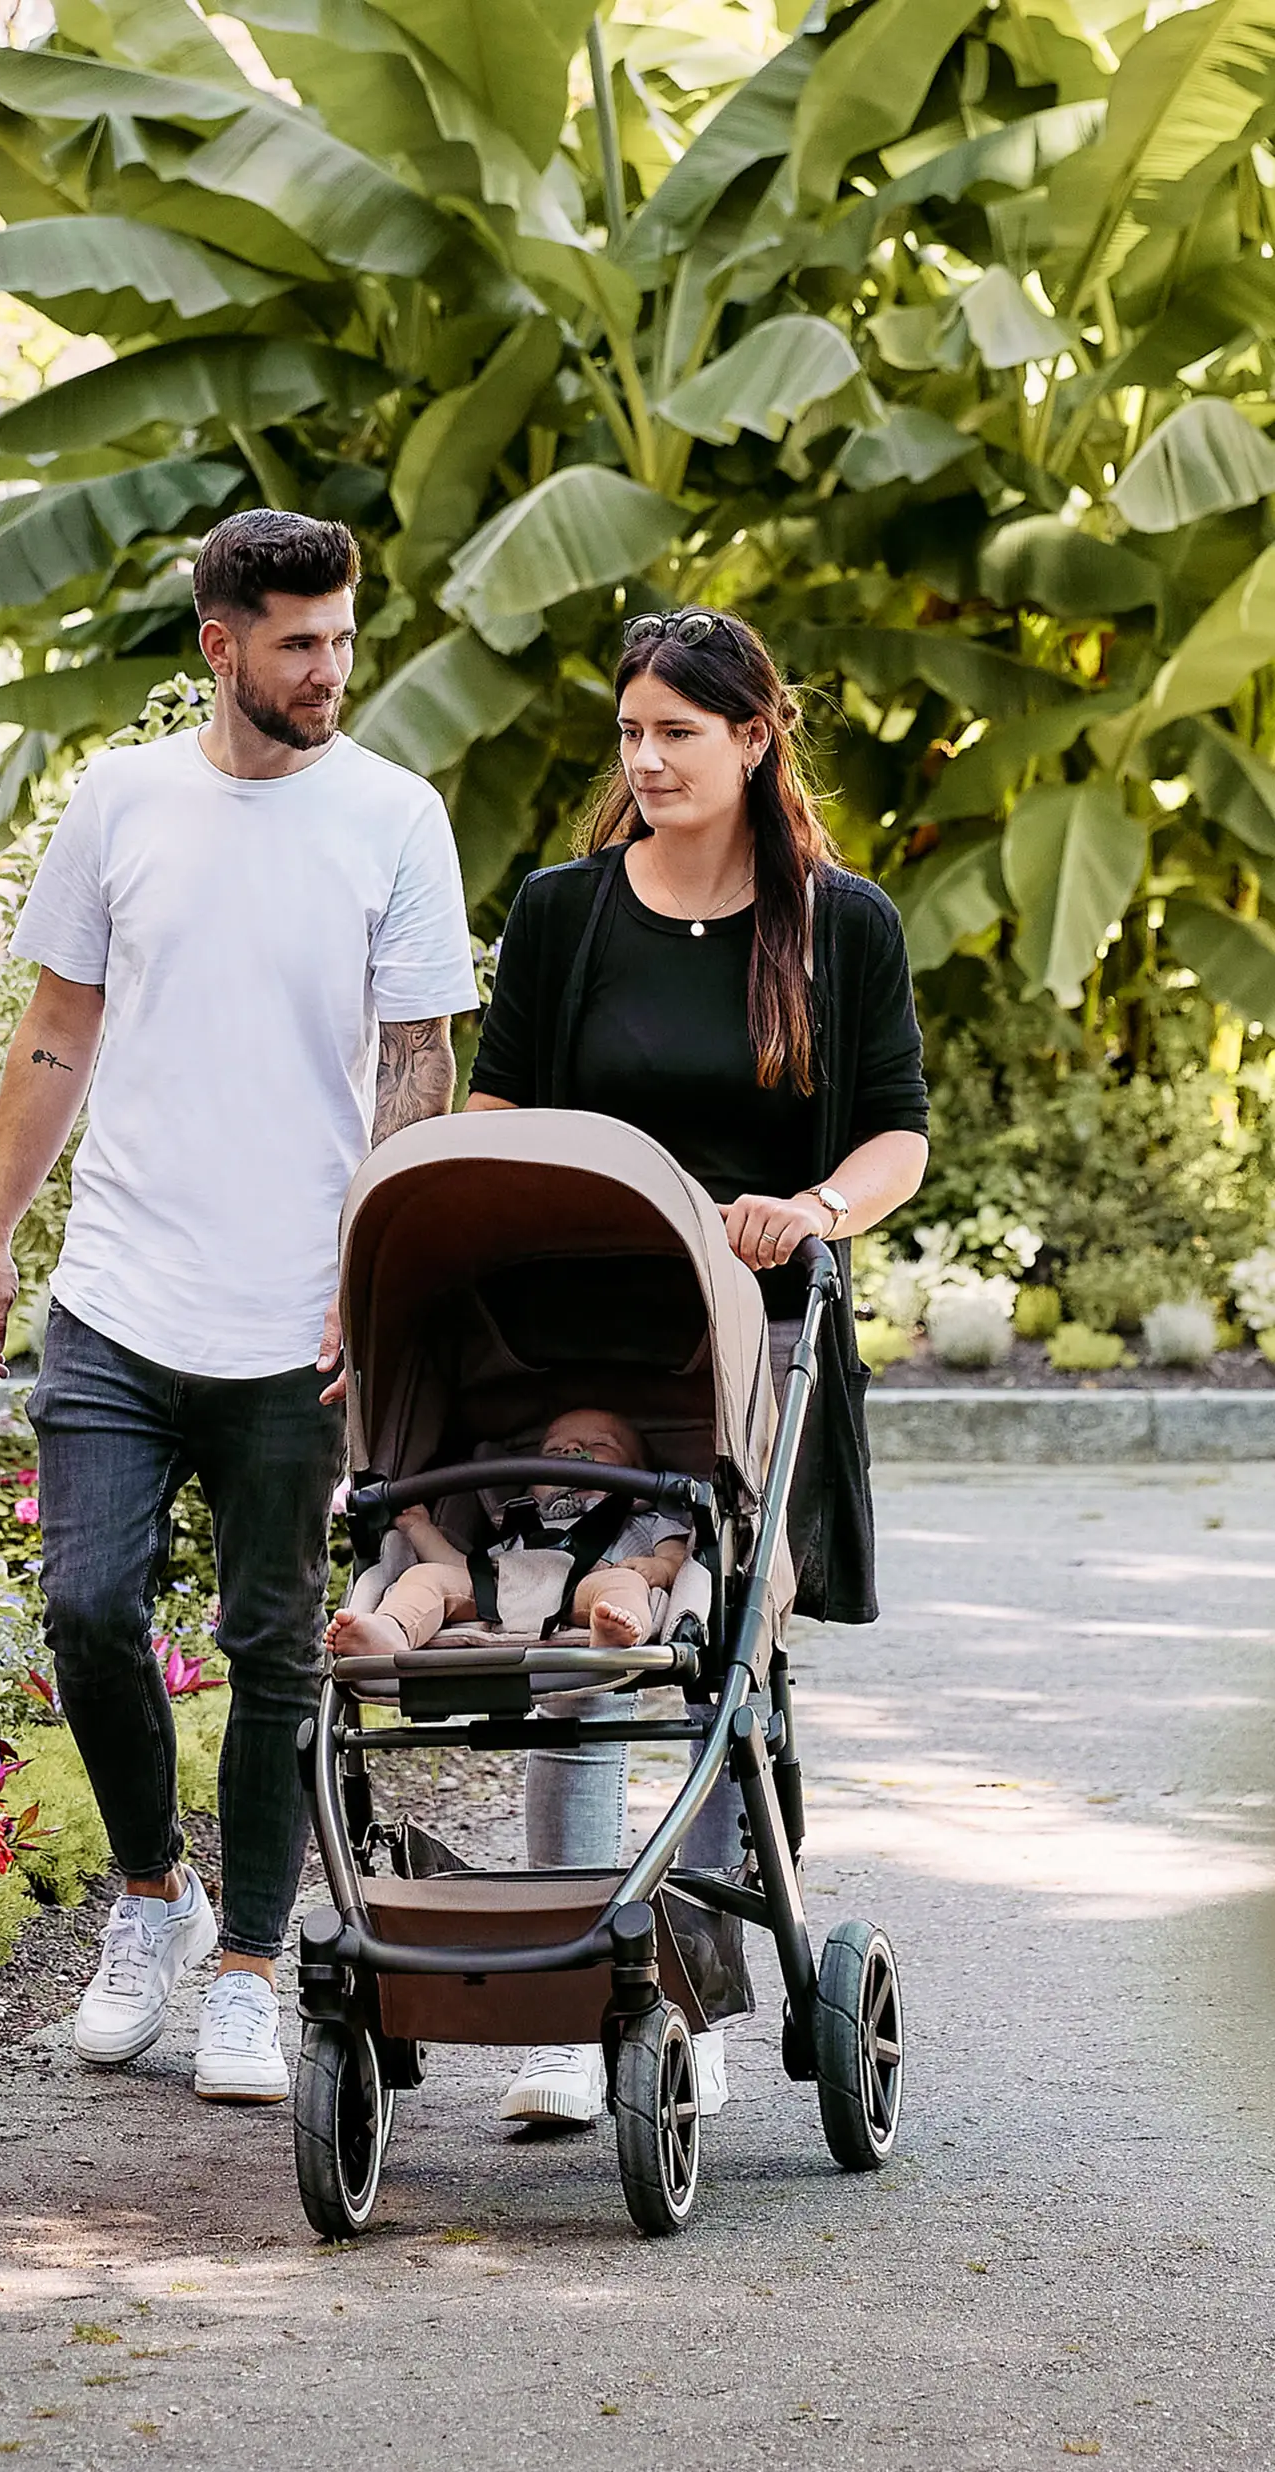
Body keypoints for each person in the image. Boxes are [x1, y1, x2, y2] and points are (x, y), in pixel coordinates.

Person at [0, 509, 478, 2105]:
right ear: (219, 646)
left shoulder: (396, 816)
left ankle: (250, 1960)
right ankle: (149, 1902)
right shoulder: (122, 800)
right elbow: (57, 1030)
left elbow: (417, 1066)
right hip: (116, 1288)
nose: (331, 669)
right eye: (299, 642)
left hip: (293, 1321)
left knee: (270, 1644)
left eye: (342, 637)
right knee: (87, 1613)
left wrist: (369, 1275)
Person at [464, 605, 929, 2126]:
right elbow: (500, 1113)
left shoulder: (838, 923)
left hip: (755, 1328)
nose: (647, 759)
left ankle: (690, 1996)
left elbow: (895, 1133)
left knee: (720, 1650)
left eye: (678, 731)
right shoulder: (562, 911)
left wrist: (813, 1208)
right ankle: (559, 2002)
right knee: (580, 1659)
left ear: (753, 738)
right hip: (574, 1334)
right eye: (631, 733)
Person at [326, 1409, 691, 1656]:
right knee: (426, 1577)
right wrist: (419, 1528)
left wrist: (658, 1569)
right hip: (501, 1590)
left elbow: (678, 1559)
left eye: (599, 1446)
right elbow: (466, 1567)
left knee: (625, 1586)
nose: (572, 1450)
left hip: (589, 1588)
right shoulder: (520, 1519)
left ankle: (613, 1637)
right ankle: (393, 1630)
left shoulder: (647, 1517)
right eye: (553, 1451)